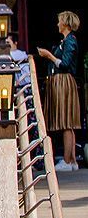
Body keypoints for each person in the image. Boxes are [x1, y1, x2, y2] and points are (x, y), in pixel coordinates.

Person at [37, 11, 81, 171]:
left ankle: (68, 161)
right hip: (61, 81)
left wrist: (49, 56)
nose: (57, 24)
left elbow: (65, 64)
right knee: (67, 121)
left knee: (66, 122)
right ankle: (73, 161)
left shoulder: (70, 41)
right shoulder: (66, 41)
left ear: (65, 24)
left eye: (59, 21)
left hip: (64, 81)